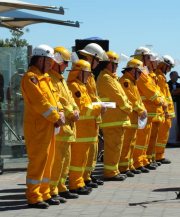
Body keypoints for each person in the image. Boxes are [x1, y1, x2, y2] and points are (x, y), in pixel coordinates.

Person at [21, 44, 65, 209]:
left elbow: (55, 100)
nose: (51, 65)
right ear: (40, 59)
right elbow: (40, 102)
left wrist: (60, 113)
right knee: (38, 162)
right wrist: (56, 117)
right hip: (37, 128)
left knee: (48, 161)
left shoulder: (45, 78)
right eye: (48, 61)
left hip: (49, 127)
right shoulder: (30, 78)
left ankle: (44, 193)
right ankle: (33, 196)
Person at [67, 59, 105, 194]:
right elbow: (83, 108)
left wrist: (98, 107)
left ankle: (81, 181)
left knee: (85, 158)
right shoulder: (73, 86)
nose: (89, 76)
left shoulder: (81, 86)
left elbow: (89, 105)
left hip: (88, 129)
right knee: (78, 159)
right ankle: (75, 184)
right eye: (87, 73)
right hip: (81, 130)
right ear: (79, 73)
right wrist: (99, 108)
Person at [48, 46, 80, 200]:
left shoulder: (61, 79)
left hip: (67, 127)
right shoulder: (51, 79)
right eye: (65, 63)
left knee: (65, 161)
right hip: (60, 127)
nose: (67, 66)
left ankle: (61, 187)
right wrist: (70, 112)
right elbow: (57, 101)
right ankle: (52, 190)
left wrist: (76, 109)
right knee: (57, 161)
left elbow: (70, 99)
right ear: (57, 62)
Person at [96, 50, 132, 181]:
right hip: (112, 119)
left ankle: (114, 170)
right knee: (113, 147)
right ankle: (110, 173)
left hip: (117, 118)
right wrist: (128, 108)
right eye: (114, 64)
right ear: (108, 64)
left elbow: (122, 95)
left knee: (116, 146)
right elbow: (118, 97)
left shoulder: (111, 77)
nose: (116, 67)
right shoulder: (106, 78)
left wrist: (126, 106)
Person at [78, 43, 108, 187]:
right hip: (84, 122)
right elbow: (84, 100)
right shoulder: (81, 73)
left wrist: (99, 106)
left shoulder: (89, 75)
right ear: (92, 58)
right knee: (82, 154)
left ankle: (87, 177)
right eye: (98, 61)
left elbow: (93, 97)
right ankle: (80, 179)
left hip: (92, 120)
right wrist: (98, 107)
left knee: (92, 152)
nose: (98, 64)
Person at [118, 58, 147, 177]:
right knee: (126, 144)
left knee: (131, 143)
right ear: (133, 70)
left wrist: (142, 109)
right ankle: (123, 167)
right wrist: (141, 110)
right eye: (139, 72)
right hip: (129, 117)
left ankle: (129, 165)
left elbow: (138, 100)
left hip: (134, 118)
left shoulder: (132, 82)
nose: (140, 75)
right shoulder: (126, 81)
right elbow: (131, 99)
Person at [155, 55, 176, 164]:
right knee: (160, 136)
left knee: (163, 136)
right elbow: (161, 96)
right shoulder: (158, 77)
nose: (170, 70)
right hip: (163, 112)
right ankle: (157, 156)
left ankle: (160, 155)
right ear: (164, 65)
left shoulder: (161, 77)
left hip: (166, 113)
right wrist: (165, 110)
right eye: (169, 67)